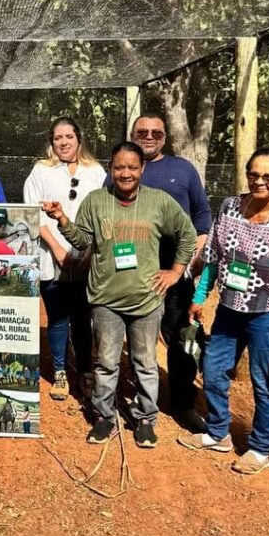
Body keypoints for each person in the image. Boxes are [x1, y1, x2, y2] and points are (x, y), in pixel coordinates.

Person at [43, 141, 197, 448]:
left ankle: (145, 418)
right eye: (119, 167)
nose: (125, 173)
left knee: (145, 363)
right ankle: (104, 416)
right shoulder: (97, 200)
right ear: (110, 168)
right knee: (106, 363)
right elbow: (83, 240)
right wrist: (62, 219)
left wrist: (175, 272)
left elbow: (188, 235)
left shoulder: (159, 202)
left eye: (132, 167)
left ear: (142, 168)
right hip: (105, 300)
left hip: (146, 300)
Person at [179, 148, 269, 475]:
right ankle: (218, 432)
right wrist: (200, 295)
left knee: (263, 381)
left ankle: (260, 448)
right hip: (229, 310)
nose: (259, 181)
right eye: (254, 174)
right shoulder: (230, 208)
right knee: (213, 369)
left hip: (267, 315)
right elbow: (213, 256)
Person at [117, 113, 213, 432]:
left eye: (156, 133)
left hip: (176, 272)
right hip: (133, 273)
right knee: (138, 337)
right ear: (132, 134)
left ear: (165, 137)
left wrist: (193, 260)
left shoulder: (183, 169)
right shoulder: (122, 168)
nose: (149, 137)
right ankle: (142, 400)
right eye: (142, 132)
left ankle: (183, 403)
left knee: (182, 337)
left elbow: (202, 216)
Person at [23, 116, 107, 400]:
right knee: (58, 317)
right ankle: (60, 372)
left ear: (78, 138)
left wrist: (89, 251)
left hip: (86, 260)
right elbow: (32, 213)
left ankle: (84, 371)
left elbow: (104, 214)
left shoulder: (96, 172)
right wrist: (57, 249)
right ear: (51, 142)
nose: (63, 142)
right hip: (50, 257)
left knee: (83, 318)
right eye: (57, 138)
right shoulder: (41, 171)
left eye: (69, 136)